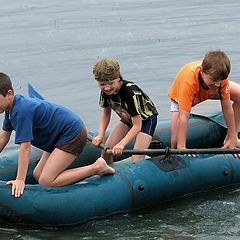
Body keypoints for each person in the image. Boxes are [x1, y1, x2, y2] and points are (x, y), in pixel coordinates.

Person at [0, 73, 115, 198]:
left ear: (9, 94)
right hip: (57, 138)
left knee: (46, 180)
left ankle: (96, 167)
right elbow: (4, 137)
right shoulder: (10, 110)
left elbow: (25, 147)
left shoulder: (21, 111)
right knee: (38, 174)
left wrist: (20, 180)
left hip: (71, 134)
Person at [168, 50, 240, 152]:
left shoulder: (219, 81)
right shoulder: (189, 82)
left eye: (220, 81)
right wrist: (182, 147)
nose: (217, 85)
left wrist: (232, 137)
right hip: (183, 95)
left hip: (208, 90)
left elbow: (227, 108)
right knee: (175, 142)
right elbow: (183, 117)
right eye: (214, 80)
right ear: (201, 71)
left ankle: (231, 139)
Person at [92, 58, 158, 163]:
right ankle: (107, 172)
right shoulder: (105, 92)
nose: (107, 88)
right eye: (102, 84)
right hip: (127, 118)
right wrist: (101, 134)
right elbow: (106, 113)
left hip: (145, 120)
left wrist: (122, 143)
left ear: (118, 78)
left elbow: (137, 126)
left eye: (111, 83)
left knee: (137, 158)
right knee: (106, 151)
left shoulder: (130, 92)